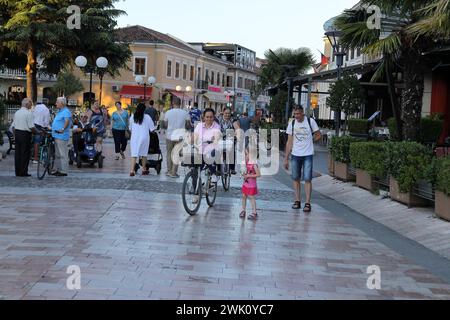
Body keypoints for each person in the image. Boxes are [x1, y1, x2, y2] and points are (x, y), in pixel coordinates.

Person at [284, 105, 322, 213]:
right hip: (295, 154)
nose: (296, 116)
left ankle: (308, 203)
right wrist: (286, 158)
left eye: (298, 114)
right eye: (295, 114)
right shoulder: (292, 123)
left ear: (303, 113)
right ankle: (297, 200)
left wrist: (312, 140)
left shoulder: (310, 121)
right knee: (295, 178)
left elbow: (319, 135)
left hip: (308, 154)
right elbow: (289, 142)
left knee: (307, 178)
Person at [163, 99, 191, 178]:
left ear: (173, 103)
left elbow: (165, 124)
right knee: (176, 153)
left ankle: (169, 171)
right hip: (180, 136)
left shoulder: (168, 112)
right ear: (180, 104)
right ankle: (173, 172)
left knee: (169, 153)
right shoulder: (185, 113)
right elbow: (188, 125)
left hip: (169, 136)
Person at [129, 103, 155, 177]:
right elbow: (152, 129)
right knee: (144, 154)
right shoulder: (147, 117)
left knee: (134, 153)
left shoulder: (132, 116)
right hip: (144, 137)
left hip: (134, 137)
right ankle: (143, 169)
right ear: (144, 109)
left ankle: (132, 170)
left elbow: (130, 128)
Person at [12, 98, 35, 177]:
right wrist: (37, 132)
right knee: (25, 153)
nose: (31, 105)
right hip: (25, 134)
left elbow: (13, 126)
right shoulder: (28, 113)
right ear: (26, 104)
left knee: (17, 154)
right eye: (30, 103)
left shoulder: (17, 112)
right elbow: (31, 126)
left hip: (18, 133)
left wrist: (15, 135)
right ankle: (23, 172)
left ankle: (17, 172)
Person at [51, 97, 72, 177]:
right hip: (56, 135)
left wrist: (62, 129)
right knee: (57, 154)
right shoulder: (60, 111)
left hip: (61, 136)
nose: (56, 103)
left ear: (61, 103)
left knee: (63, 154)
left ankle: (63, 171)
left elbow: (67, 121)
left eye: (57, 102)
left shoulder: (66, 111)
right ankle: (57, 169)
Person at [240, 147, 261, 220]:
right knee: (244, 196)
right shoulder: (246, 163)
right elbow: (245, 171)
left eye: (246, 154)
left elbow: (258, 175)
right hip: (246, 183)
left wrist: (249, 175)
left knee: (251, 197)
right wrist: (243, 173)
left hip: (251, 184)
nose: (245, 156)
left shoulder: (254, 165)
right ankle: (243, 210)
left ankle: (254, 212)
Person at [218, 107, 241, 175]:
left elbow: (237, 128)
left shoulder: (233, 120)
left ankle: (232, 168)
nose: (227, 115)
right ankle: (218, 169)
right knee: (218, 151)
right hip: (220, 138)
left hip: (230, 138)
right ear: (223, 113)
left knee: (232, 151)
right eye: (226, 113)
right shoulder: (219, 119)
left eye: (229, 113)